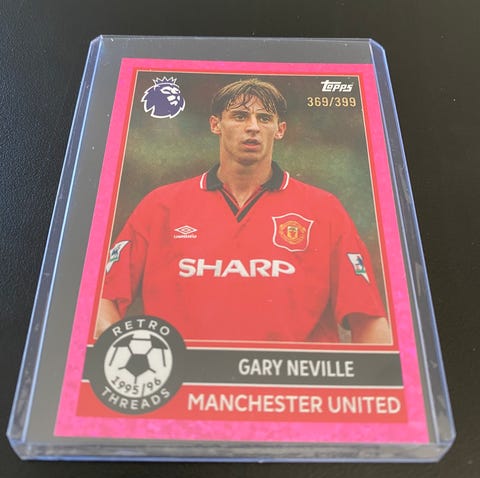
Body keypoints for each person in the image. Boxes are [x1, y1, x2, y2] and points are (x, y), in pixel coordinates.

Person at [95, 78, 391, 344]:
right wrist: (119, 353)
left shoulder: (324, 210)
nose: (253, 127)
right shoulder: (161, 206)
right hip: (184, 381)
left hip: (290, 383)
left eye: (264, 118)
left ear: (279, 130)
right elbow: (101, 300)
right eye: (239, 116)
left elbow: (369, 322)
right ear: (215, 125)